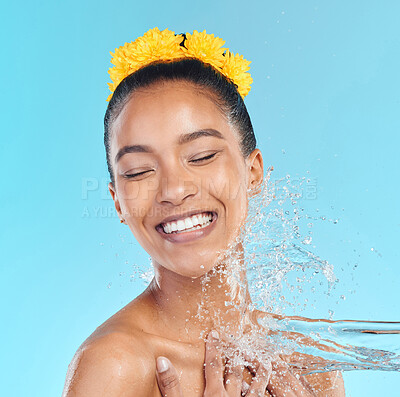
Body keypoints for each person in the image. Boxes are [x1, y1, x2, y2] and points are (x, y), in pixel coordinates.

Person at [62, 28, 345, 396]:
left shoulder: (307, 364)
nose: (174, 190)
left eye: (202, 156)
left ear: (253, 171)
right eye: (139, 171)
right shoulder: (115, 366)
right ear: (118, 201)